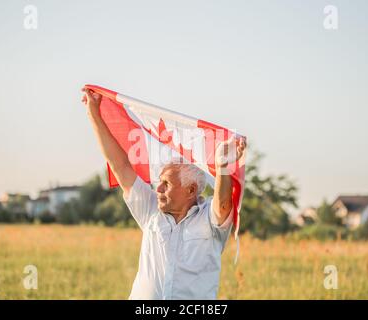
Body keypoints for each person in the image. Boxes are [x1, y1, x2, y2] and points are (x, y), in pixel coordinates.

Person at [81, 87, 246, 299]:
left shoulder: (208, 218)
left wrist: (222, 166)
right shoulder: (150, 209)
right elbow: (119, 165)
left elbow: (223, 204)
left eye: (166, 184)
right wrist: (93, 113)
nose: (157, 188)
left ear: (191, 190)